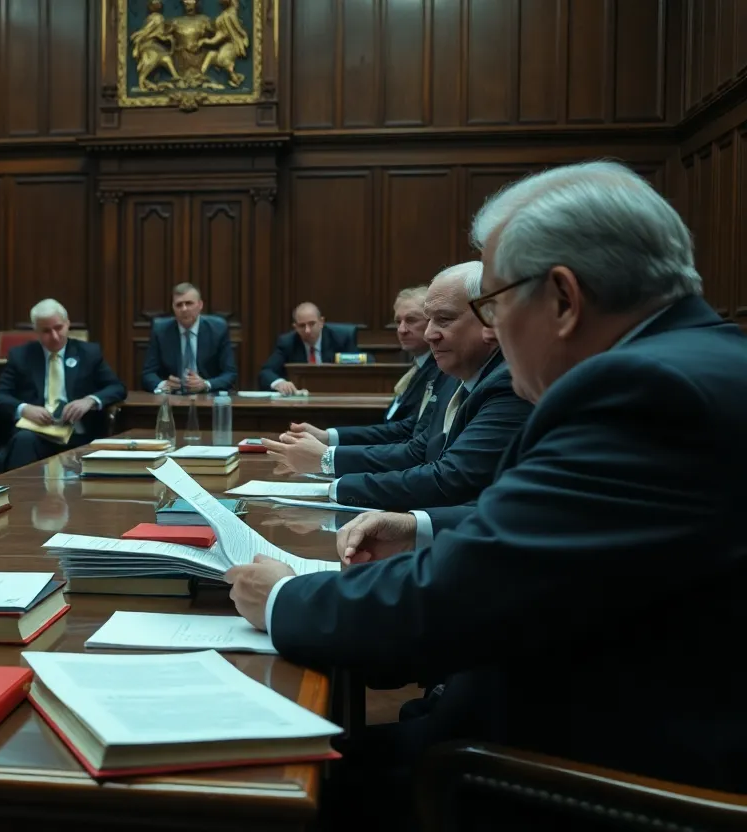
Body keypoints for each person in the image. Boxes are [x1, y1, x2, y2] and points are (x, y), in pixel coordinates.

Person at [225, 161, 747, 827]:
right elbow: (564, 529)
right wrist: (421, 530)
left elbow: (455, 598)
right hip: (568, 729)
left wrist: (281, 598)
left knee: (245, 785)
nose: (494, 332)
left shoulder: (647, 394)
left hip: (553, 779)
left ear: (563, 298)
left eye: (494, 306)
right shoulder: (696, 362)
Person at [263, 263, 532, 510]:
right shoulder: (457, 374)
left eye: (444, 319)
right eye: (428, 320)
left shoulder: (506, 382)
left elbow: (450, 479)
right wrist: (329, 457)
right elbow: (419, 450)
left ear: (491, 319)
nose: (429, 334)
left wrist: (328, 465)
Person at [288, 285, 438, 445]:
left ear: (432, 323)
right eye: (397, 321)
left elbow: (407, 431)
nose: (401, 330)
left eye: (411, 320)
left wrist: (329, 444)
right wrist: (326, 436)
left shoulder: (437, 371)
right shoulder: (418, 368)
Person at [0, 299, 126, 471]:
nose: (54, 336)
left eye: (58, 328)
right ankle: (21, 496)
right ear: (36, 332)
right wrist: (24, 409)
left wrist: (89, 400)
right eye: (46, 331)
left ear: (67, 324)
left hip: (78, 433)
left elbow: (117, 388)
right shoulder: (21, 356)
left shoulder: (88, 353)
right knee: (23, 441)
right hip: (37, 434)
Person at [141, 283, 237, 393]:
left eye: (189, 303)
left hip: (207, 398)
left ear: (200, 305)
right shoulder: (161, 330)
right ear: (173, 307)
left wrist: (205, 384)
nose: (184, 309)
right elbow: (148, 374)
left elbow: (230, 374)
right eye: (179, 305)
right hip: (173, 398)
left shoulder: (218, 329)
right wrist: (164, 385)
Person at [257, 302, 358, 394]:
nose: (307, 330)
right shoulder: (288, 343)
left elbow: (363, 363)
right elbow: (266, 372)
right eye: (302, 326)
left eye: (312, 324)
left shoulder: (341, 339)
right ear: (295, 327)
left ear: (321, 322)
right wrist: (280, 383)